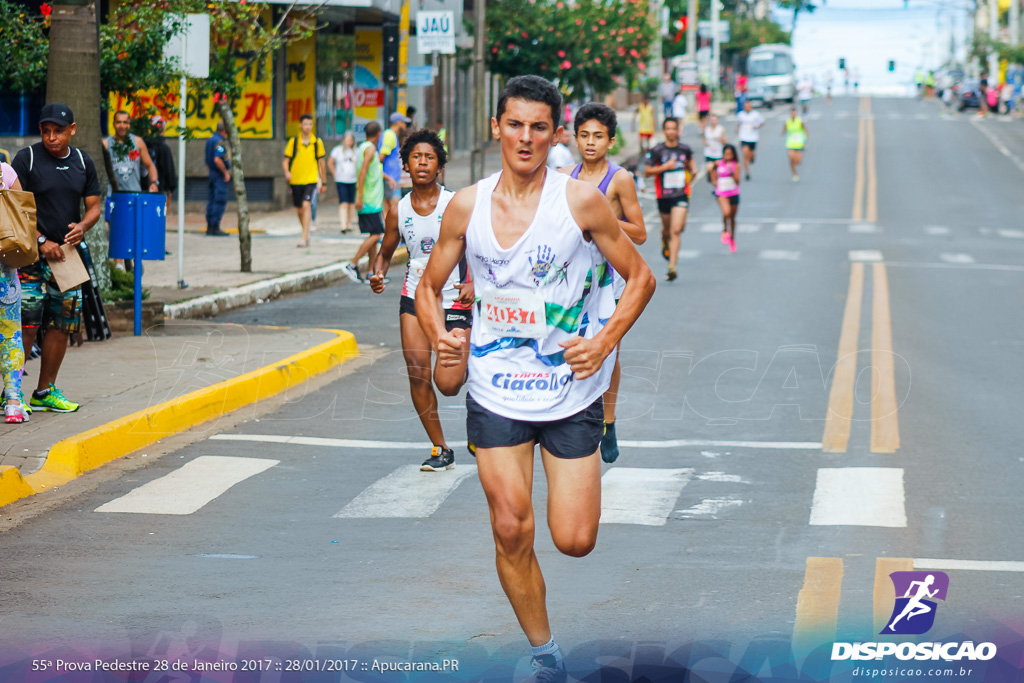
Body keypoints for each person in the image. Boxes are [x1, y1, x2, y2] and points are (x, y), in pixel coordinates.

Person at [416, 74, 655, 683]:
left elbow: (640, 278)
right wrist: (442, 332)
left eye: (539, 127)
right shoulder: (466, 205)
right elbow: (427, 284)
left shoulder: (580, 201)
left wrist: (602, 344)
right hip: (497, 385)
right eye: (515, 124)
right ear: (496, 126)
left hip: (571, 389)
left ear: (557, 136)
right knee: (509, 523)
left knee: (574, 540)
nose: (525, 138)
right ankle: (544, 651)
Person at [368, 130, 473, 472]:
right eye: (416, 157)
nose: (423, 163)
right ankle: (440, 448)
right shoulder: (398, 211)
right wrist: (378, 272)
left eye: (429, 157)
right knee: (417, 373)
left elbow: (480, 247)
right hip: (414, 295)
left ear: (439, 166)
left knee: (449, 384)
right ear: (406, 166)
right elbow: (384, 253)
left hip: (455, 297)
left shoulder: (455, 204)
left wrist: (472, 282)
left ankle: (482, 401)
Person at [560, 102, 646, 465]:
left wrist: (602, 221)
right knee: (565, 343)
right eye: (584, 136)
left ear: (611, 140)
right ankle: (565, 412)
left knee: (609, 350)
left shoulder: (620, 178)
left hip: (607, 275)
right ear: (575, 138)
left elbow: (639, 233)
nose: (590, 142)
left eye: (598, 136)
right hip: (569, 274)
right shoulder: (564, 175)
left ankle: (608, 421)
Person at [12, 103, 101, 414]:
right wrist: (41, 240)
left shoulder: (82, 162)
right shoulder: (28, 158)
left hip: (66, 257)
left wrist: (83, 226)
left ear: (72, 130)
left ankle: (44, 391)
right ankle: (12, 392)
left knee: (62, 324)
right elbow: (14, 208)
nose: (52, 137)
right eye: (46, 131)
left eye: (58, 131)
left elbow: (94, 206)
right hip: (29, 256)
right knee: (26, 323)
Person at [645, 116, 696, 282]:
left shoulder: (685, 149)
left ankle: (672, 266)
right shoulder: (658, 150)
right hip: (664, 195)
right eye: (668, 129)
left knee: (676, 230)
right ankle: (664, 240)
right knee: (667, 230)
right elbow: (647, 172)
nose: (671, 132)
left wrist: (693, 173)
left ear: (678, 130)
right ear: (664, 131)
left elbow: (691, 165)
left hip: (681, 194)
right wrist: (665, 167)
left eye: (674, 128)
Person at [0, 161, 27, 423]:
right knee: (10, 335)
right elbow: (24, 217)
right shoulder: (4, 172)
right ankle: (13, 404)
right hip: (4, 271)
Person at [343, 121, 385, 282]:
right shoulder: (370, 149)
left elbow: (371, 171)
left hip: (371, 199)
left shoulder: (362, 147)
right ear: (379, 135)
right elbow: (363, 172)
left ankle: (370, 272)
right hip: (369, 200)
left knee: (373, 236)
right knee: (376, 235)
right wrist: (360, 196)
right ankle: (352, 264)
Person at [283, 113, 326, 248]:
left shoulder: (317, 142)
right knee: (300, 210)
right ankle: (306, 233)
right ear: (301, 125)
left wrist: (323, 181)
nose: (308, 127)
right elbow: (286, 161)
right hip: (296, 180)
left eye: (310, 124)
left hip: (311, 179)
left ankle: (304, 237)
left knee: (307, 205)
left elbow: (322, 163)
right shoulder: (293, 142)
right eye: (305, 124)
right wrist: (287, 172)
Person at [102, 110, 159, 194]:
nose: (122, 126)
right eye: (119, 122)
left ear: (129, 124)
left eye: (125, 122)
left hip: (134, 194)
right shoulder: (106, 144)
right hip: (112, 195)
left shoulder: (138, 142)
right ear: (113, 124)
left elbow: (150, 165)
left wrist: (154, 183)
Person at [379, 112, 410, 218]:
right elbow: (381, 157)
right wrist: (387, 177)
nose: (405, 126)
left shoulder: (391, 135)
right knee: (394, 208)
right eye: (403, 123)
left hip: (391, 177)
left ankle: (389, 232)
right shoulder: (390, 135)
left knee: (390, 208)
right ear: (398, 123)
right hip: (390, 178)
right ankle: (392, 232)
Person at [204, 120, 232, 236]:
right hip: (218, 175)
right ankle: (215, 227)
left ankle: (210, 227)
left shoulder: (210, 140)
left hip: (212, 173)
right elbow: (218, 159)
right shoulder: (219, 142)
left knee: (211, 200)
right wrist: (225, 172)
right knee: (219, 200)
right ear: (224, 130)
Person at [143, 115, 177, 208]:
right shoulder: (164, 148)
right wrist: (171, 187)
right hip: (161, 190)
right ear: (163, 129)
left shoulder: (143, 145)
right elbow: (169, 170)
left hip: (143, 189)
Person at [329, 132, 358, 233]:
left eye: (350, 140)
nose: (348, 142)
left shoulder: (356, 151)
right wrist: (334, 173)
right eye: (346, 140)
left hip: (353, 180)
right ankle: (343, 225)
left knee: (351, 204)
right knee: (343, 203)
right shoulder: (337, 150)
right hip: (341, 180)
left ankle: (349, 224)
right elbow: (330, 162)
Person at [715, 144, 740, 253]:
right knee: (726, 213)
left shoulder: (736, 165)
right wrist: (714, 183)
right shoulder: (719, 163)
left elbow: (737, 181)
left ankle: (732, 238)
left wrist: (731, 171)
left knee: (732, 217)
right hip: (722, 193)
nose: (728, 156)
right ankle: (725, 229)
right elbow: (712, 173)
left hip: (733, 193)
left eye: (730, 154)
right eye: (726, 154)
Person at [736, 100, 765, 181]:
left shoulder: (755, 114)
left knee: (751, 155)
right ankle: (747, 172)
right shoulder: (741, 115)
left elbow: (762, 122)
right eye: (745, 106)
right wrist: (737, 129)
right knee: (745, 154)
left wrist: (757, 126)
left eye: (748, 106)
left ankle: (752, 157)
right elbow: (739, 123)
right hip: (744, 137)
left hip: (753, 138)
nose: (747, 108)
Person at [782, 106, 808, 182]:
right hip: (790, 143)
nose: (793, 114)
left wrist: (804, 141)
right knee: (791, 159)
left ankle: (795, 169)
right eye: (791, 113)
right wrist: (782, 132)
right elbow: (784, 130)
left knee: (798, 161)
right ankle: (795, 174)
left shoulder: (800, 121)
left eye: (794, 112)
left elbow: (805, 130)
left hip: (799, 143)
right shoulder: (787, 121)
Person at [703, 113, 727, 188]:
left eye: (714, 120)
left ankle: (715, 187)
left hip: (718, 153)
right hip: (709, 153)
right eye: (712, 120)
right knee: (710, 168)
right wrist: (705, 142)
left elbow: (725, 141)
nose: (713, 121)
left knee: (717, 171)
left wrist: (719, 139)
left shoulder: (721, 129)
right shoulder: (706, 129)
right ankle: (710, 177)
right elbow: (703, 139)